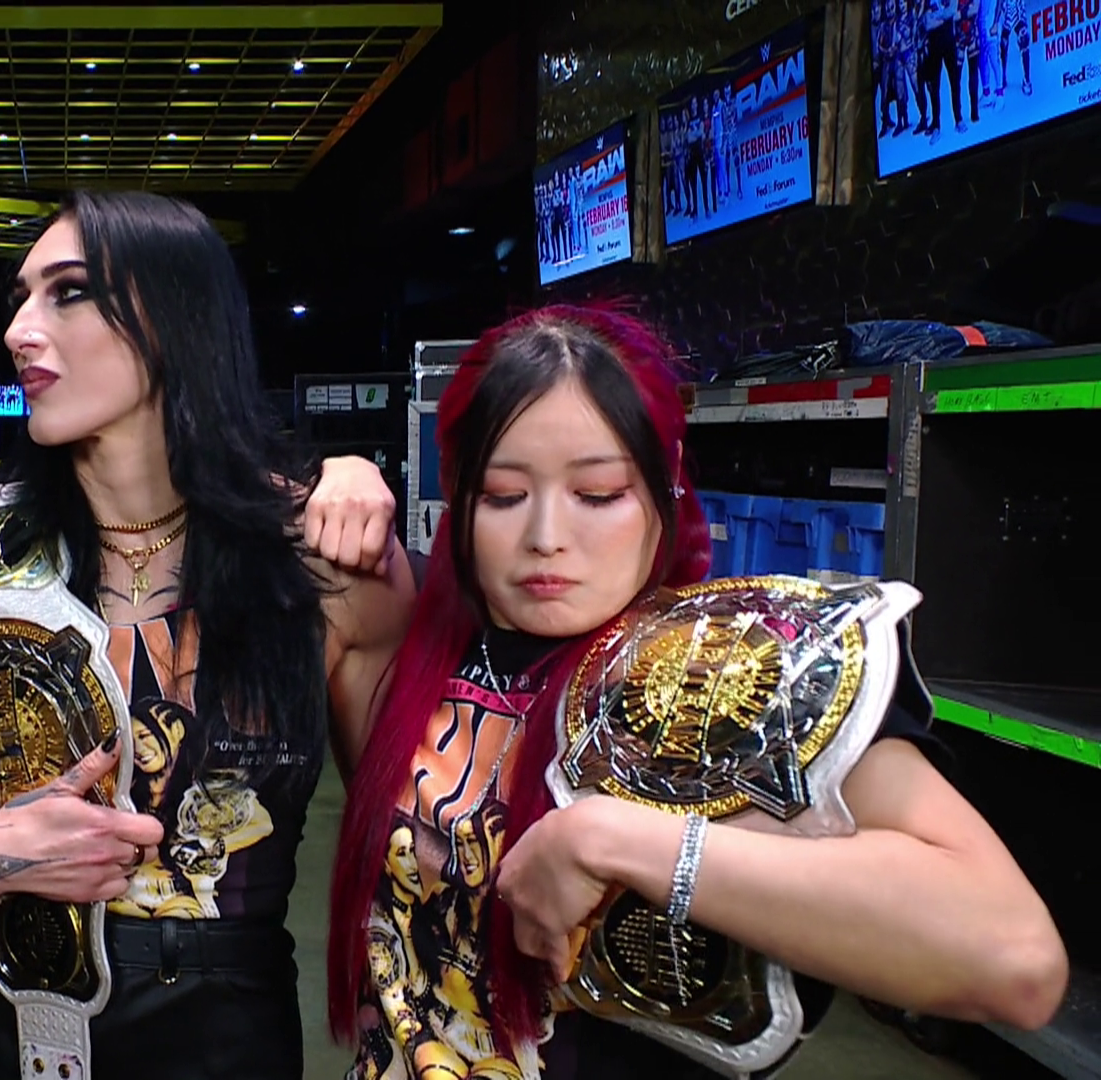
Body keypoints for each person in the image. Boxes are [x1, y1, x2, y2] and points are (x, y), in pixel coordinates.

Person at [327, 305, 1068, 1079]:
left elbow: (1016, 959)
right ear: (459, 495)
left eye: (598, 493)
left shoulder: (740, 674)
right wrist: (341, 482)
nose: (546, 535)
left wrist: (624, 842)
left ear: (665, 485)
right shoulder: (418, 642)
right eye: (504, 495)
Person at [0, 189, 417, 1079]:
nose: (19, 331)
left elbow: (411, 860)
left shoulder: (326, 563)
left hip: (230, 1043)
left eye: (69, 292)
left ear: (177, 317)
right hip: (15, 1031)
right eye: (21, 298)